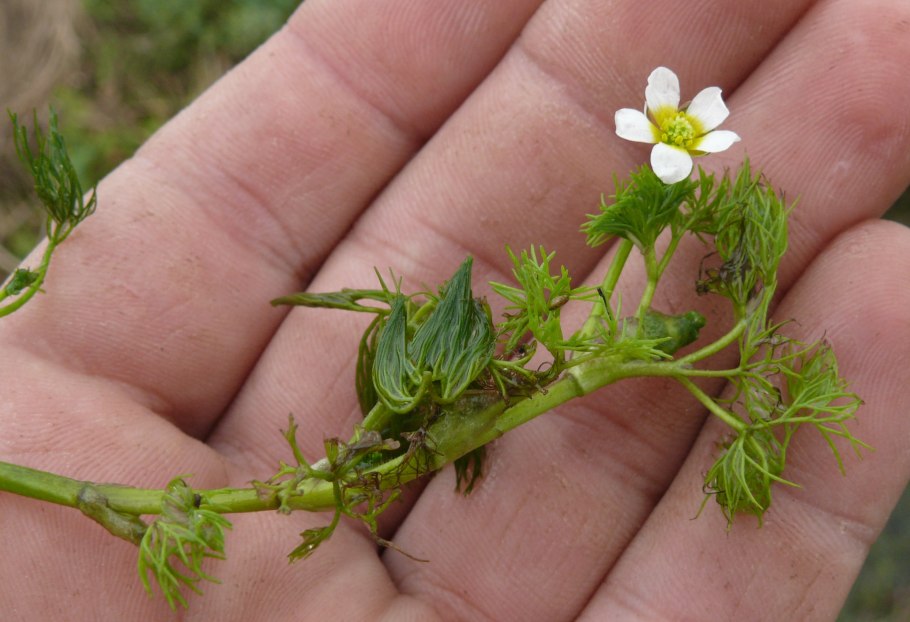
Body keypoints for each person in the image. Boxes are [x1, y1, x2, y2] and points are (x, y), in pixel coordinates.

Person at [2, 1, 909, 619]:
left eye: (685, 127)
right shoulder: (652, 154)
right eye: (676, 123)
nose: (679, 126)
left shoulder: (677, 200)